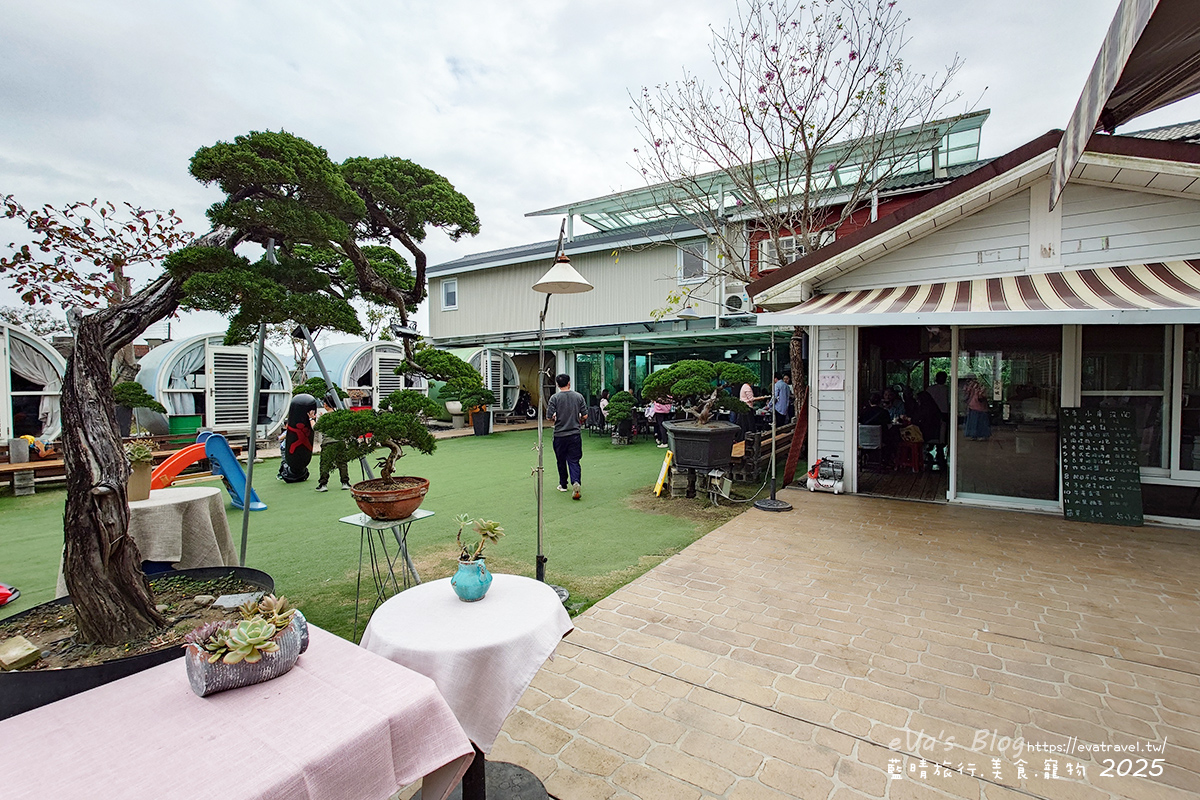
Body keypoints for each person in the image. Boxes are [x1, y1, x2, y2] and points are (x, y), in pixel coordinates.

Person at [547, 373, 587, 500]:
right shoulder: (578, 396)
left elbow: (549, 416)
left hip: (559, 434)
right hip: (574, 433)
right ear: (569, 383)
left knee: (561, 460)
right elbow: (585, 415)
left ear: (558, 385)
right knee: (574, 460)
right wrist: (578, 418)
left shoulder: (554, 398)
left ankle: (563, 484)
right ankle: (576, 482)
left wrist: (554, 417)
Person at [314, 396, 351, 492]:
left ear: (326, 405)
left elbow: (316, 428)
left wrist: (312, 419)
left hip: (328, 443)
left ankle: (323, 484)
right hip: (340, 441)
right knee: (342, 463)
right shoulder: (340, 416)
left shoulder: (325, 417)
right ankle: (345, 482)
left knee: (325, 464)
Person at [925, 371, 951, 466]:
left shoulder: (931, 389)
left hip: (934, 414)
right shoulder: (948, 389)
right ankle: (939, 448)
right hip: (942, 413)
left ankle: (935, 446)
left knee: (936, 432)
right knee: (941, 432)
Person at [963, 374, 991, 440]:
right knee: (974, 421)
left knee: (980, 421)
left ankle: (980, 435)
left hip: (977, 406)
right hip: (974, 405)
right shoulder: (972, 386)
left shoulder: (978, 386)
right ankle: (974, 435)